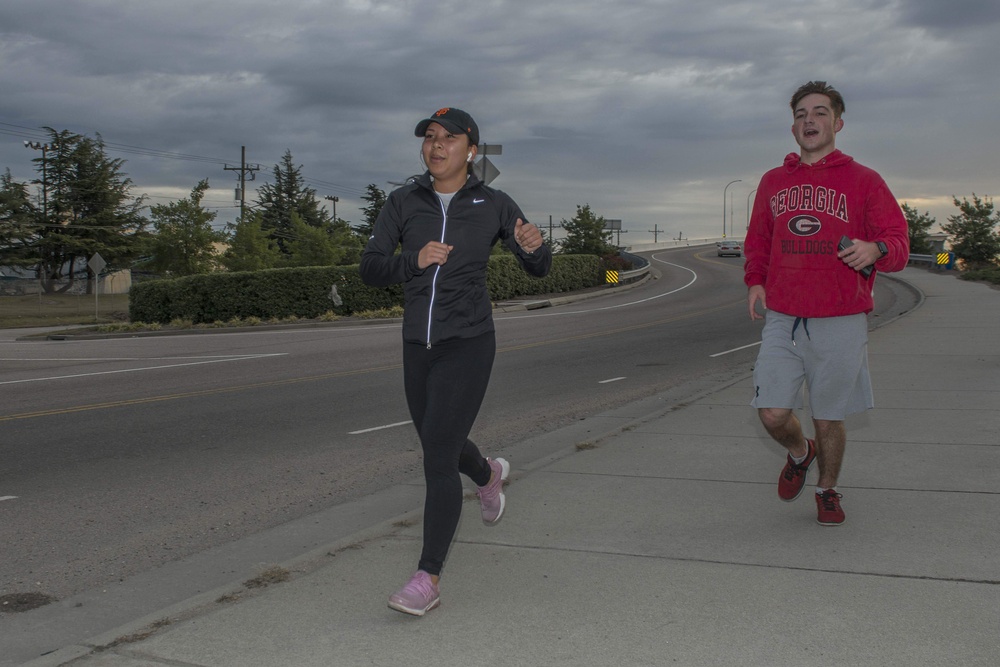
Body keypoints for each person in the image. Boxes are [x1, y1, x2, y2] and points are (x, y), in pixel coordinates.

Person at [359, 107, 551, 615]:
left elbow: (537, 266)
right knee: (437, 439)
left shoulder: (493, 203)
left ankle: (428, 577)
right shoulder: (403, 201)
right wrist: (412, 260)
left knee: (437, 458)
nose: (436, 144)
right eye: (429, 136)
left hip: (468, 340)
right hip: (416, 343)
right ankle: (487, 474)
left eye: (449, 137)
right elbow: (370, 268)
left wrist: (534, 247)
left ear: (471, 149)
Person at [743, 81, 909, 526]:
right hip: (783, 316)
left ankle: (827, 488)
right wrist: (755, 282)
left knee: (828, 415)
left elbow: (898, 241)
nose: (808, 120)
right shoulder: (773, 182)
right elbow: (758, 240)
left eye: (819, 112)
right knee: (773, 413)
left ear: (837, 123)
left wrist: (875, 249)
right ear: (793, 126)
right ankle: (800, 453)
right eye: (800, 114)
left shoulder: (864, 181)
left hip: (840, 318)